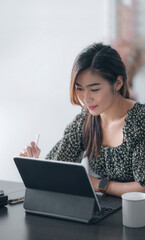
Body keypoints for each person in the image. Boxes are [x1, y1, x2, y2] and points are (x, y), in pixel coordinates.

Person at [19, 43, 145, 197]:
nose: (86, 99)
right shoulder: (85, 121)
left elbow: (143, 187)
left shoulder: (140, 121)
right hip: (103, 212)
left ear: (117, 83)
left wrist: (100, 185)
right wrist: (35, 165)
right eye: (79, 88)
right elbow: (60, 166)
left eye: (94, 89)